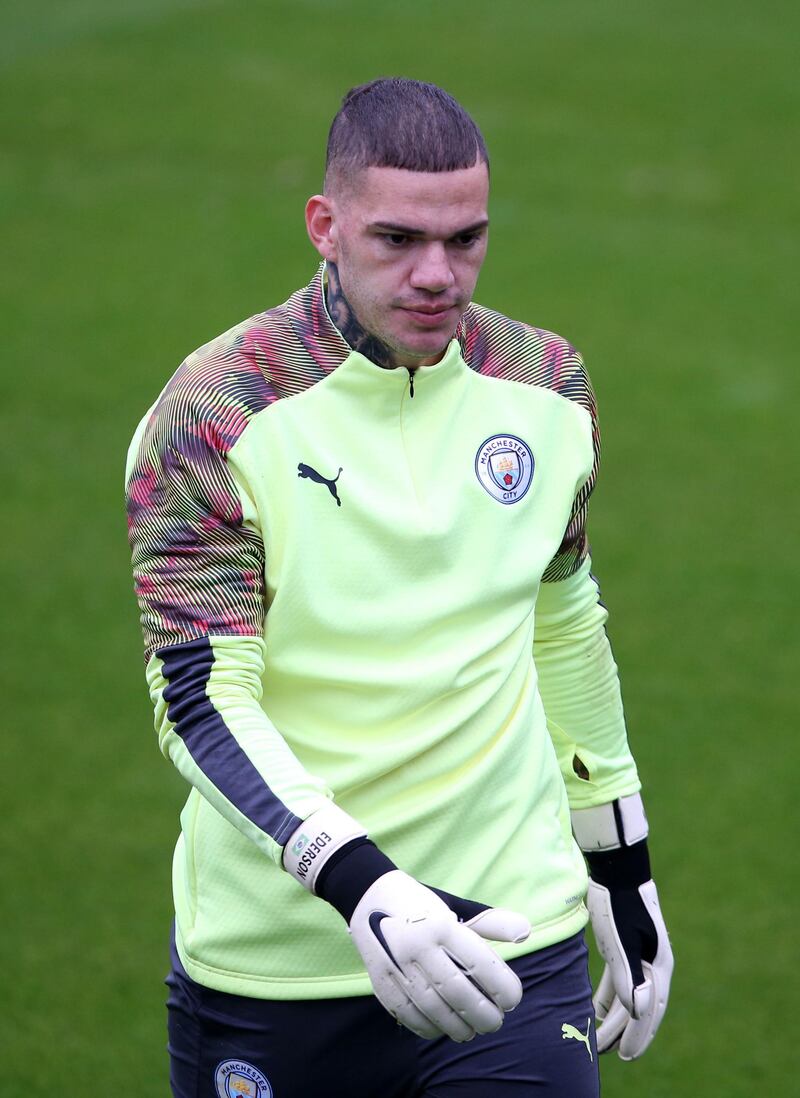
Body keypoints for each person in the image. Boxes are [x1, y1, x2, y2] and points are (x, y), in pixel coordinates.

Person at [125, 77, 673, 1098]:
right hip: (280, 963)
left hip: (515, 939)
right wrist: (361, 884)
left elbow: (558, 620)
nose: (436, 275)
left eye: (464, 240)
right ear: (324, 226)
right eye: (396, 241)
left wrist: (618, 857)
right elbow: (201, 699)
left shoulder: (544, 384)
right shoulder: (214, 413)